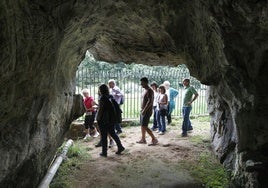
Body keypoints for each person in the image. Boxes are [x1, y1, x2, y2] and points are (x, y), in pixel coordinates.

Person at [96, 84, 125, 157]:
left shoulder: (102, 98)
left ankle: (104, 152)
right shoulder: (110, 96)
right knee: (113, 133)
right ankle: (120, 146)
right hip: (111, 119)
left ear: (101, 90)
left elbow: (101, 110)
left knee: (103, 136)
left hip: (104, 120)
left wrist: (98, 118)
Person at [136, 77, 158, 146]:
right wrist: (142, 109)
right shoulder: (145, 90)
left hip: (146, 111)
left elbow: (150, 101)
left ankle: (154, 139)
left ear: (146, 82)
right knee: (142, 125)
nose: (141, 84)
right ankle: (143, 139)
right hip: (143, 110)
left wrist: (144, 110)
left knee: (145, 126)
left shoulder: (150, 90)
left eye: (142, 83)